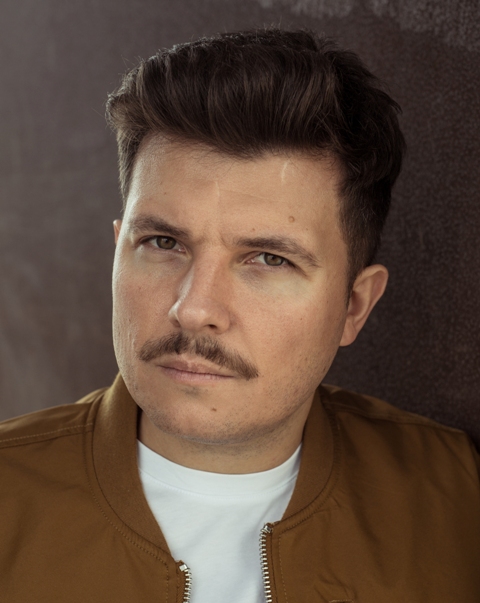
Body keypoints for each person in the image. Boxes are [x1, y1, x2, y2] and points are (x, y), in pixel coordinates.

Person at [0, 28, 478, 603]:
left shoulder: (457, 499)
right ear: (119, 250)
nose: (193, 308)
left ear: (354, 306)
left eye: (269, 259)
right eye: (162, 243)